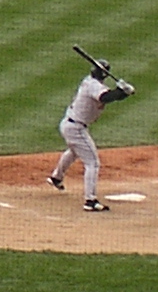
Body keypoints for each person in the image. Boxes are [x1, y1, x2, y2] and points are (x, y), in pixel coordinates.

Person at [48, 55, 133, 214]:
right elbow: (106, 97)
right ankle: (90, 200)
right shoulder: (93, 85)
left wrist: (123, 93)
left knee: (74, 152)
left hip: (70, 124)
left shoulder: (92, 82)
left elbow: (109, 96)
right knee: (92, 162)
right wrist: (120, 91)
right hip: (76, 128)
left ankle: (56, 178)